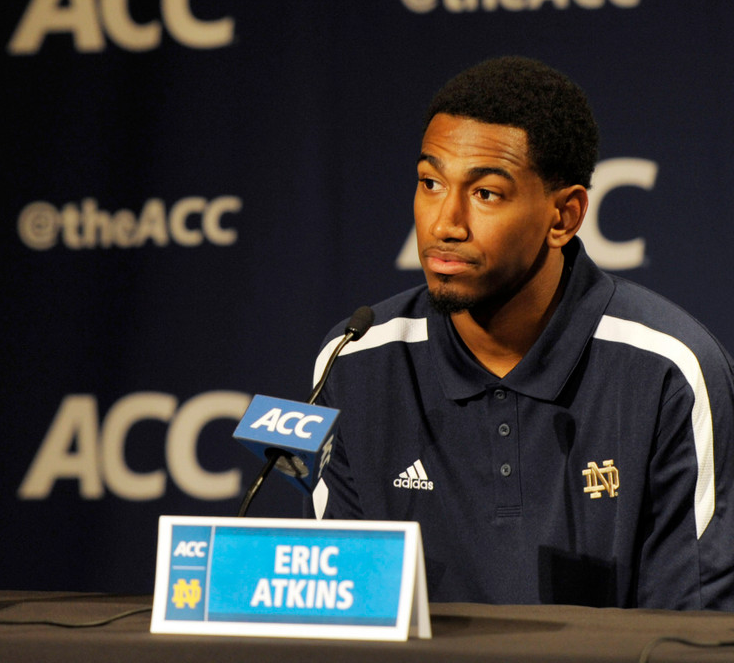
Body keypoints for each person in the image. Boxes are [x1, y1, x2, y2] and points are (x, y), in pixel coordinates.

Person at [310, 56, 734, 610]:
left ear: (564, 217)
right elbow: (338, 617)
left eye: (485, 193)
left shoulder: (669, 371)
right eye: (430, 183)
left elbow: (691, 634)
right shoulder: (358, 360)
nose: (445, 224)